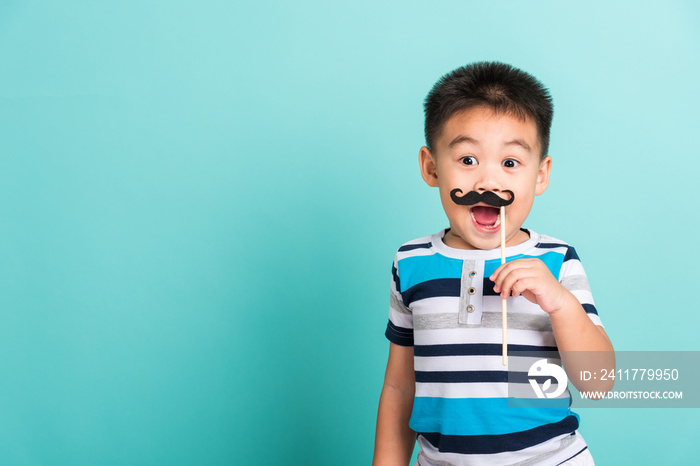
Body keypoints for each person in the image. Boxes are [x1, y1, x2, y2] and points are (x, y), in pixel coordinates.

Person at [372, 61, 614, 466]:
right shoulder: (411, 263)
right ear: (432, 167)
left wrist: (560, 304)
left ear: (541, 174)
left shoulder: (556, 261)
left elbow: (599, 382)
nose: (487, 182)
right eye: (467, 160)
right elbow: (399, 387)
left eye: (510, 162)